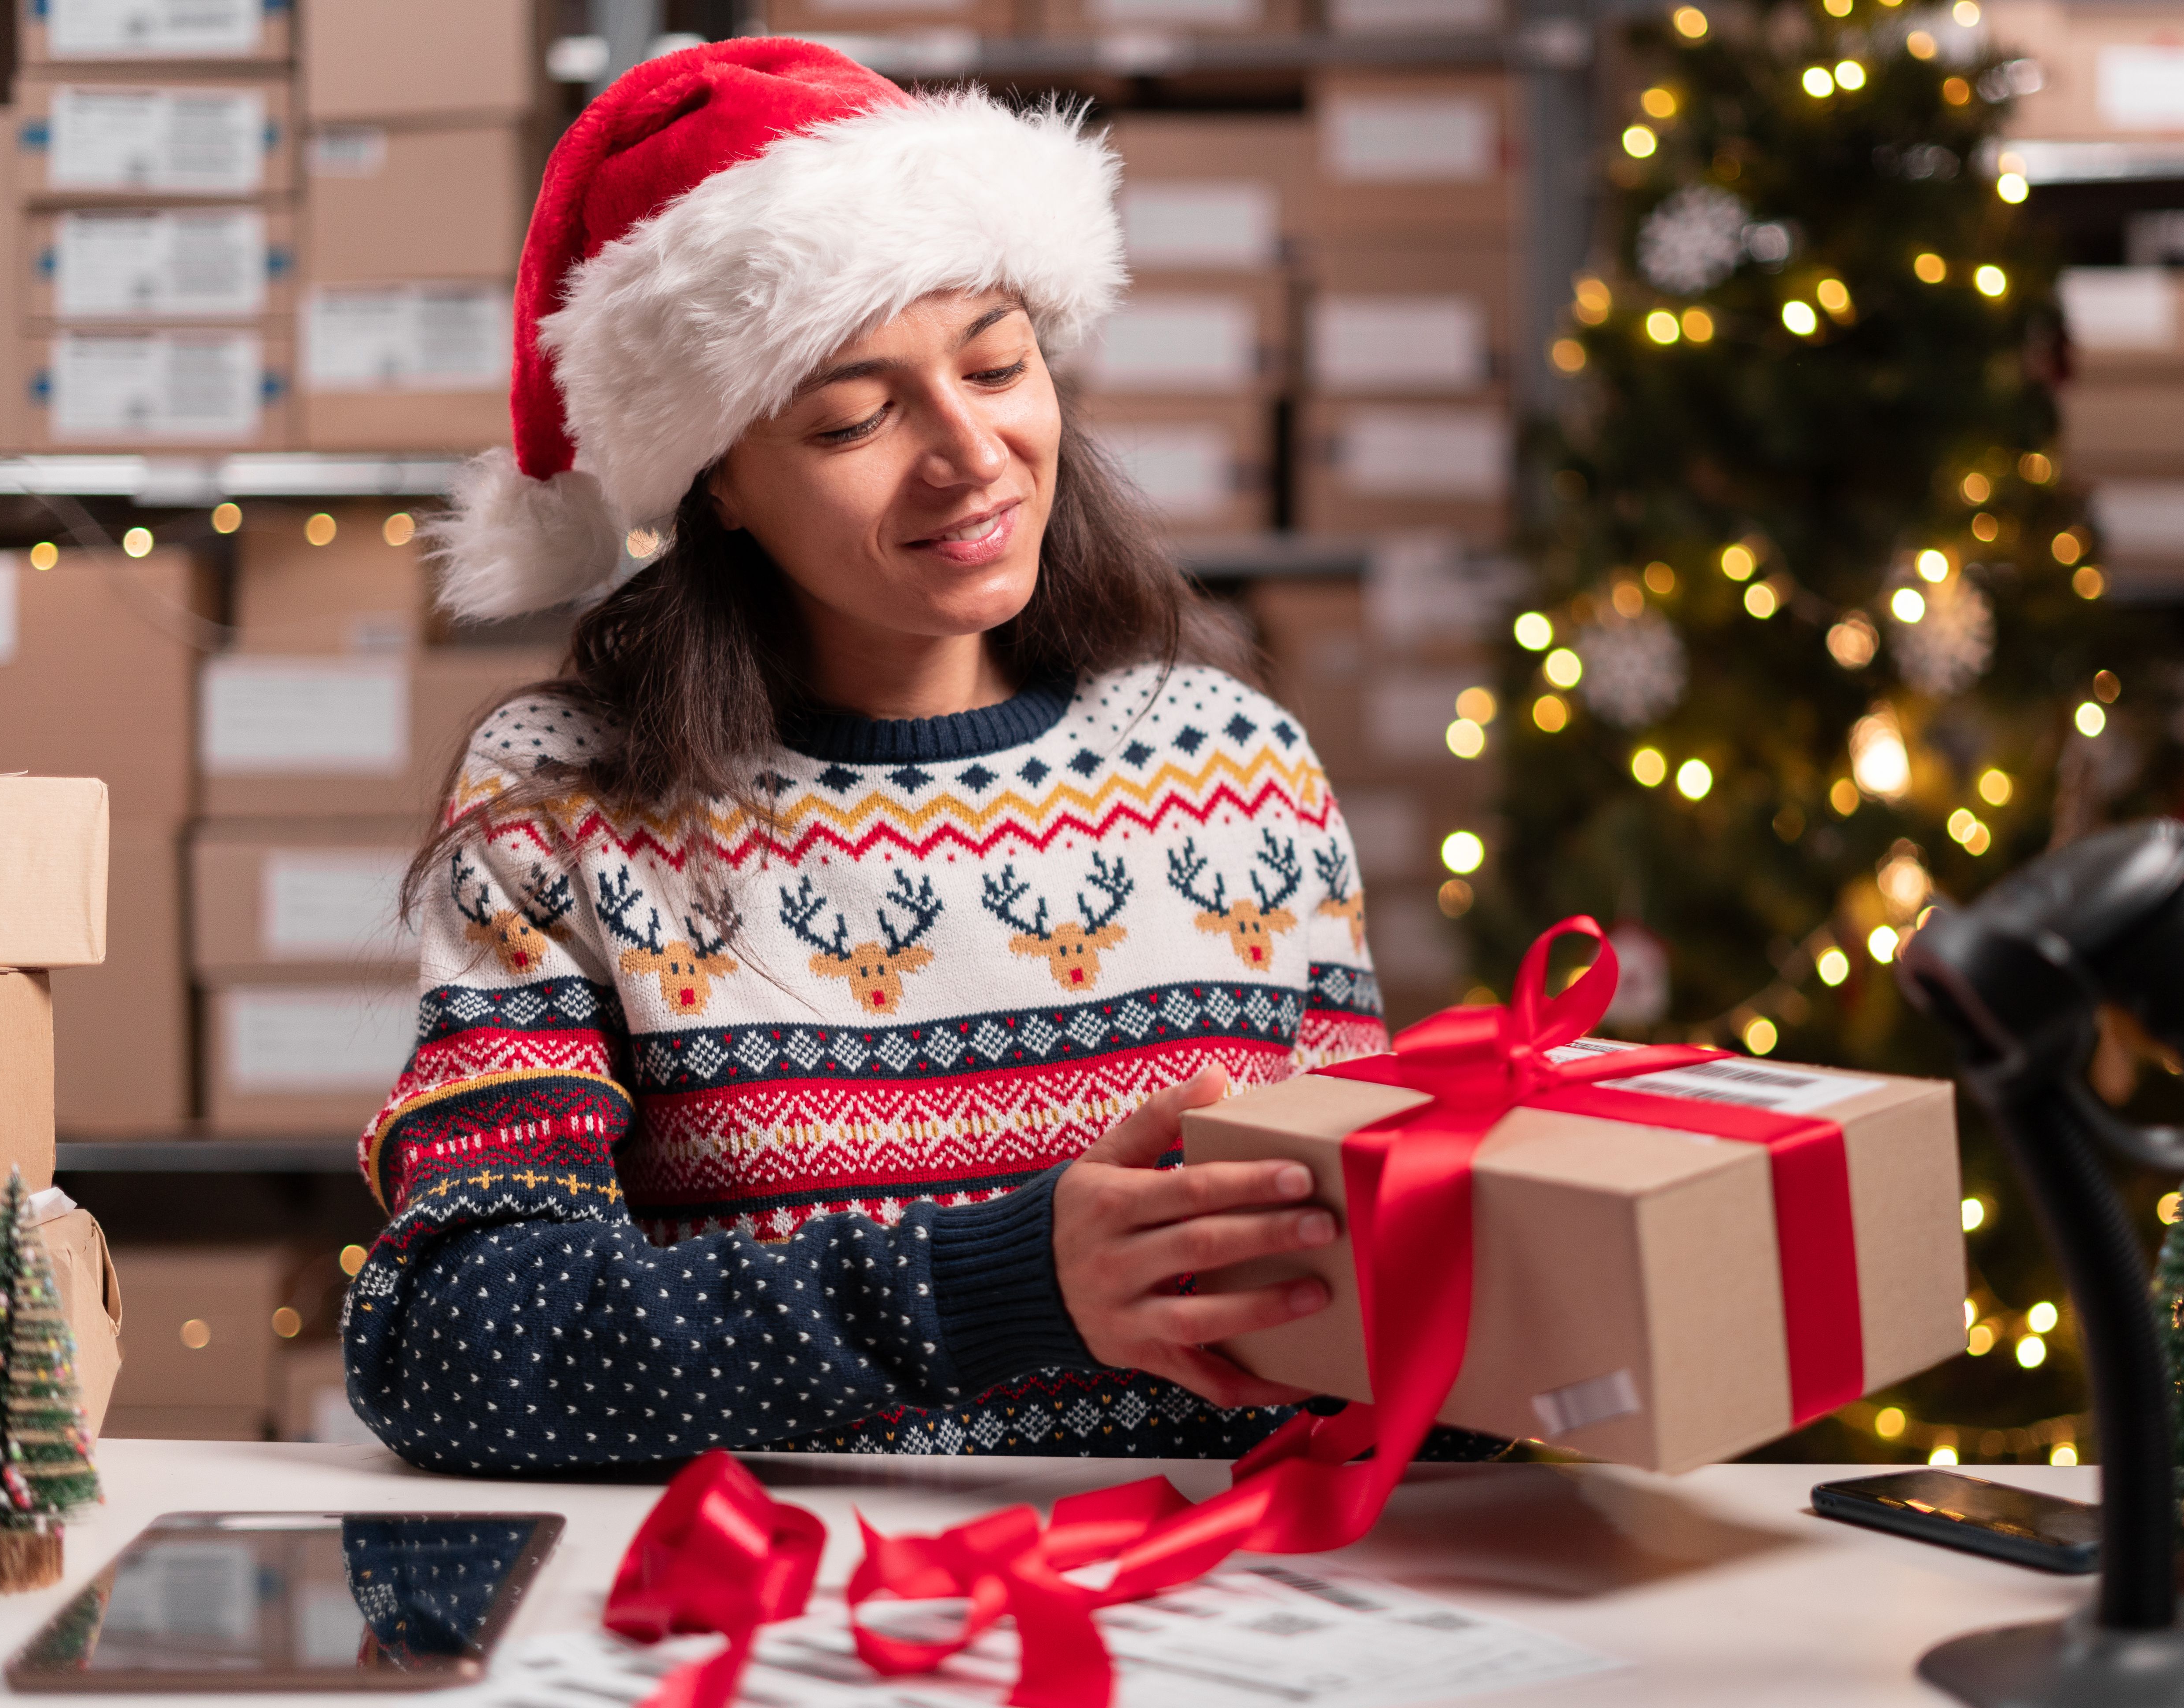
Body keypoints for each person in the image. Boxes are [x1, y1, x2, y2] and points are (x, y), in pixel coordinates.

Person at [341, 40, 1493, 1473]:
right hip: (790, 1619)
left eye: (998, 362)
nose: (973, 452)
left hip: (1216, 1601)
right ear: (722, 488)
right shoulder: (563, 806)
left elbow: (1365, 1310)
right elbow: (455, 1342)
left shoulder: (1233, 759)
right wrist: (1000, 1286)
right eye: (853, 416)